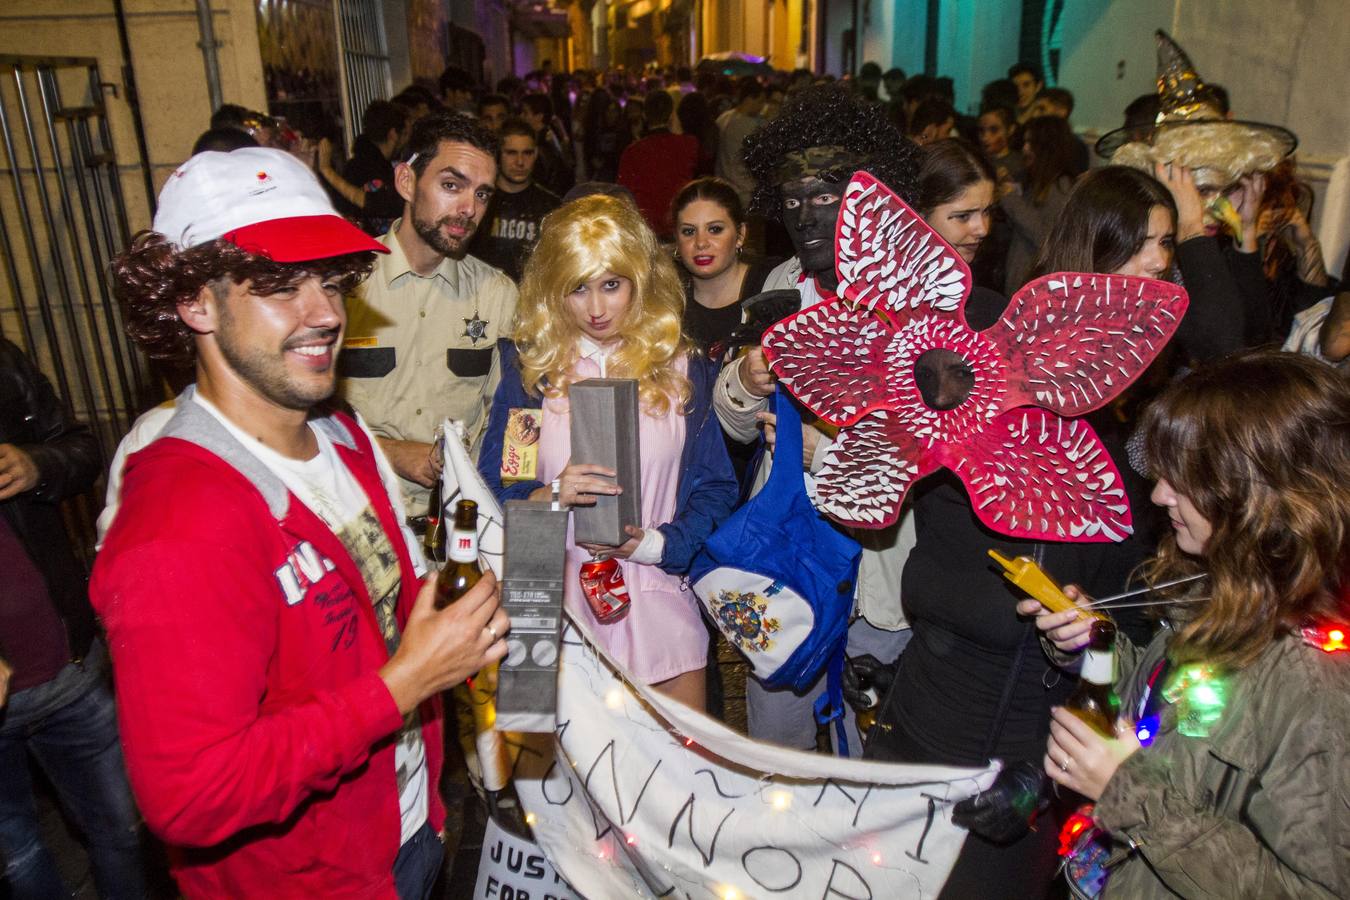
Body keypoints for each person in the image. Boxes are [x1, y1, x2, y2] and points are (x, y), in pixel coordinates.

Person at [98, 146, 509, 897]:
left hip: (405, 834)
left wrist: (454, 606)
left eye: (330, 280)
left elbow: (372, 612)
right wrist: (406, 683)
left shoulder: (341, 436)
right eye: (280, 287)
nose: (325, 313)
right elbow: (189, 797)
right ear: (194, 303)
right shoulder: (178, 523)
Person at [1024, 350, 1350, 898]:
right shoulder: (1218, 592)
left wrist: (1126, 789)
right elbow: (1172, 722)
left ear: (1258, 496)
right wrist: (1095, 646)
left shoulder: (1316, 686)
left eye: (1184, 478)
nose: (1158, 494)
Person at [716, 83, 924, 750]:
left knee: (868, 764)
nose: (808, 215)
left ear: (865, 200)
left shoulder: (914, 303)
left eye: (826, 197)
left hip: (877, 575)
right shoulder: (779, 287)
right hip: (783, 561)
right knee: (778, 756)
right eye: (794, 199)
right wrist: (746, 382)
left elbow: (923, 453)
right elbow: (736, 427)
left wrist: (818, 452)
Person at [477, 195, 737, 711]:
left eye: (611, 285)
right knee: (568, 788)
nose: (596, 309)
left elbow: (714, 488)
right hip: (554, 610)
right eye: (578, 288)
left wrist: (659, 545)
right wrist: (549, 495)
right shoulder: (531, 378)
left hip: (660, 602)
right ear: (555, 291)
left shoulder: (683, 372)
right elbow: (501, 487)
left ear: (639, 282)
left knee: (680, 781)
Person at [0, 338, 149, 899]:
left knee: (122, 831)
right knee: (19, 856)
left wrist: (37, 463)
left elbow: (81, 449)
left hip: (71, 668)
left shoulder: (4, 358)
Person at [339, 112, 517, 514]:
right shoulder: (344, 286)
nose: (469, 208)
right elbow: (297, 419)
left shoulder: (497, 296)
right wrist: (388, 451)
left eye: (483, 194)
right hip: (362, 517)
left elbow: (513, 420)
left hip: (463, 527)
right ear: (406, 182)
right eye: (451, 185)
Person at [671, 177, 780, 354]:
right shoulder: (664, 297)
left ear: (740, 234)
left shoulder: (773, 285)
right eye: (689, 231)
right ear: (676, 238)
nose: (701, 243)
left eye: (715, 229)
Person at [468, 117, 561, 282]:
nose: (520, 162)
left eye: (527, 153)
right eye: (511, 153)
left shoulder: (552, 207)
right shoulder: (477, 203)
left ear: (536, 154)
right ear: (498, 154)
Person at [1003, 115, 1079, 293]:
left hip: (1037, 292)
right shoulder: (1038, 182)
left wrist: (1011, 199)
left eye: (1031, 143)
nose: (1025, 149)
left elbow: (1045, 236)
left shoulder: (1061, 187)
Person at [317, 99, 409, 236]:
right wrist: (326, 170)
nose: (407, 141)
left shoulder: (354, 165)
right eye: (406, 135)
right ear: (393, 134)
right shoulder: (378, 171)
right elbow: (378, 204)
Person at [617, 91, 699, 239]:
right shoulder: (689, 144)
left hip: (647, 227)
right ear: (671, 114)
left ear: (645, 115)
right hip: (679, 221)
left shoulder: (633, 151)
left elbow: (624, 192)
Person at [713, 78, 766, 208]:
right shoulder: (750, 125)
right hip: (745, 192)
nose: (761, 107)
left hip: (722, 187)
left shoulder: (723, 117)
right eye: (760, 102)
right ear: (749, 99)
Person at [1028, 86, 1089, 175]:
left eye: (1042, 109)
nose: (1035, 115)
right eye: (1035, 109)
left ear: (1061, 111)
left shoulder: (1075, 146)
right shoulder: (1035, 140)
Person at [976, 105, 1023, 187]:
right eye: (981, 130)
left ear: (1010, 130)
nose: (985, 137)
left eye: (994, 130)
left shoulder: (1021, 164)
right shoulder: (974, 161)